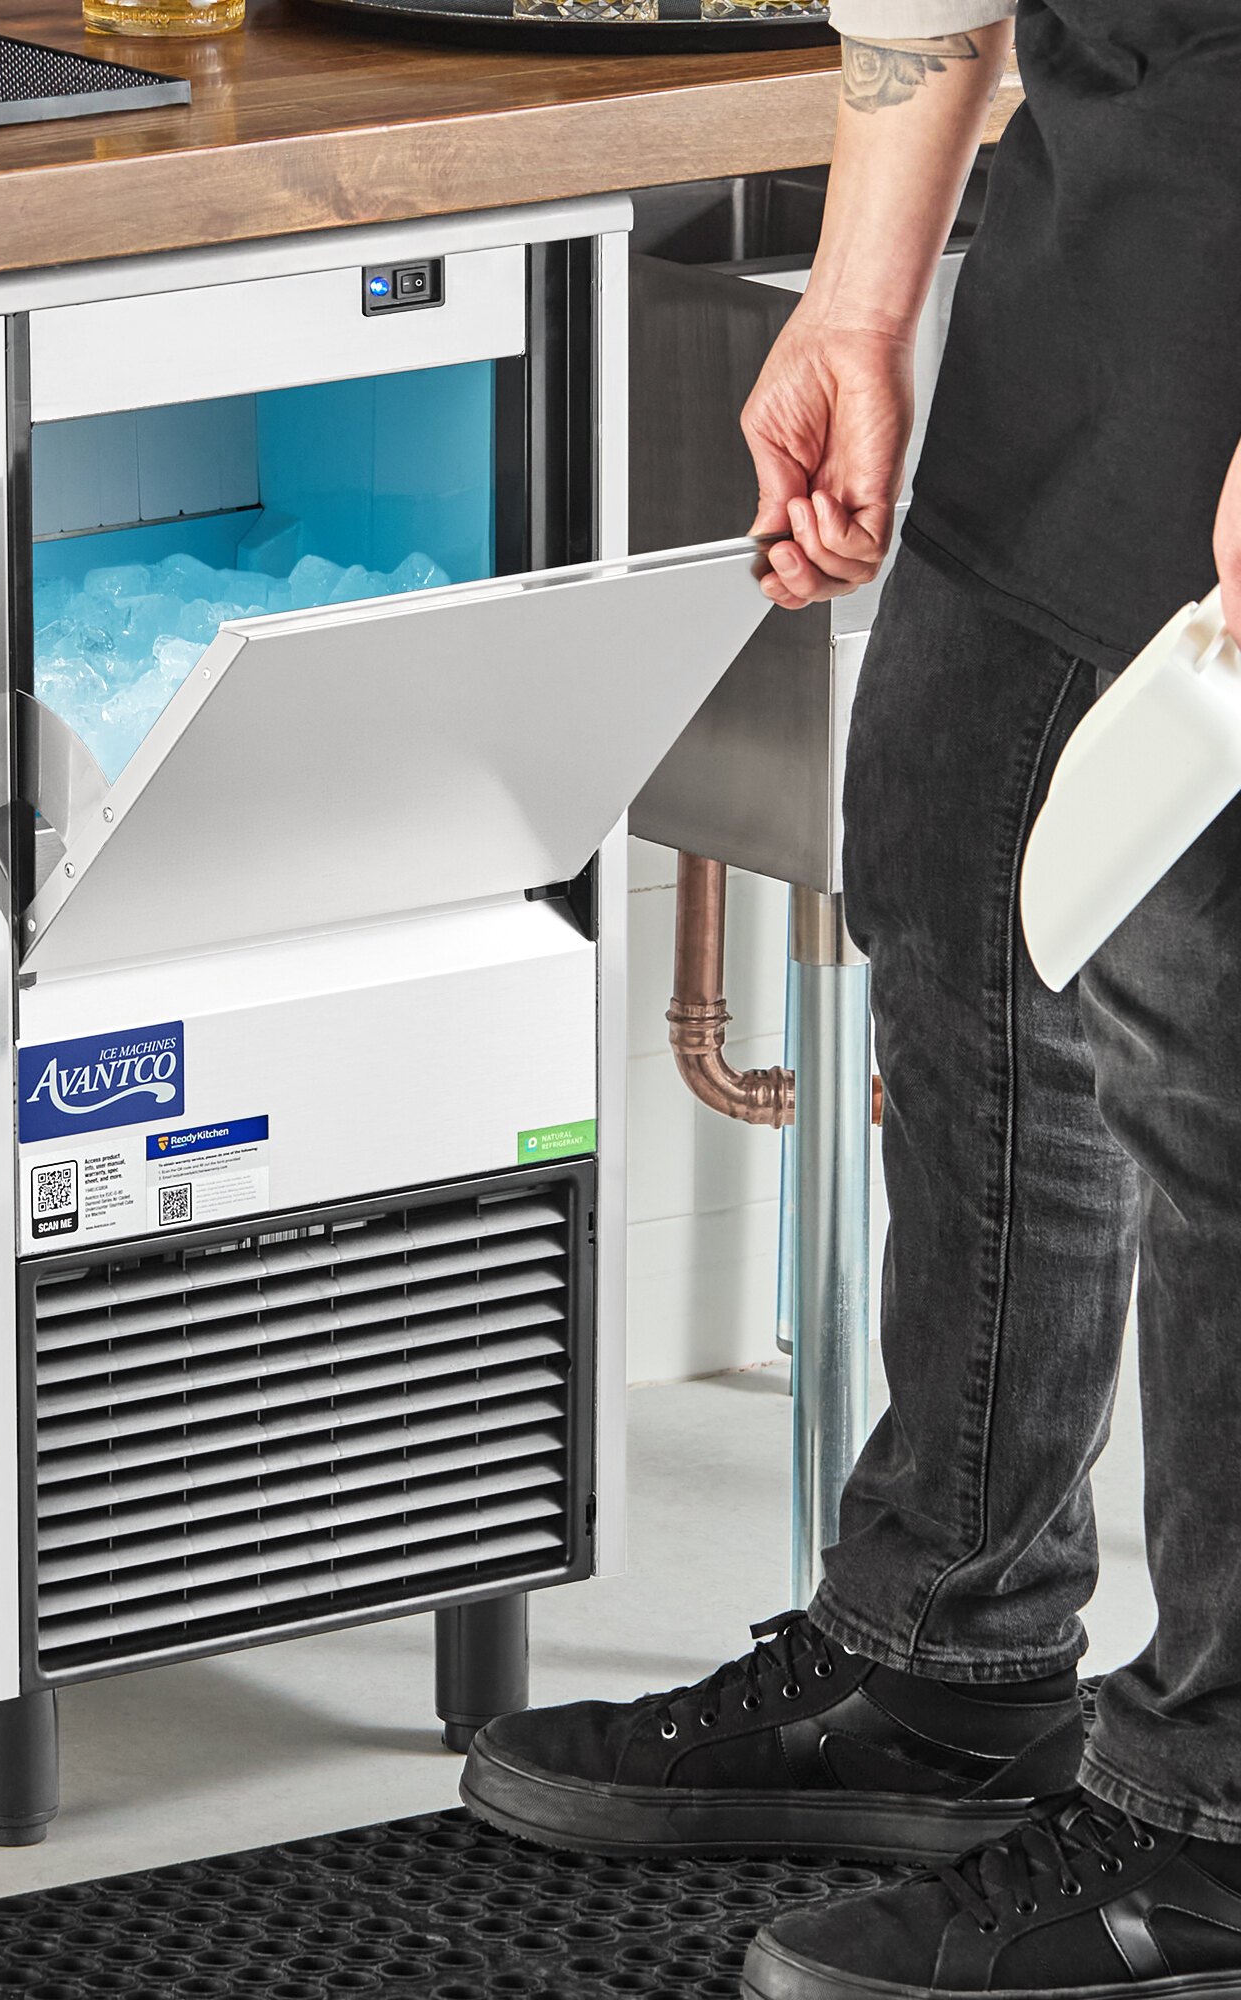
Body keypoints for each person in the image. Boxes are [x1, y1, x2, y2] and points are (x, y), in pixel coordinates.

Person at [461, 4, 1241, 1993]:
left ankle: (1216, 1814)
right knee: (953, 853)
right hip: (1114, 212)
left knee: (1210, 1040)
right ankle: (948, 1660)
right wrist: (859, 296)